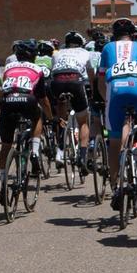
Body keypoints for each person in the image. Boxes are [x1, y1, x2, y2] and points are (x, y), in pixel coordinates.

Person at [96, 21, 137, 213]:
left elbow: (99, 81)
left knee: (114, 142)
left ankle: (115, 187)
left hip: (114, 90)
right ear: (132, 35)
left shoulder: (106, 48)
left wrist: (108, 99)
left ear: (114, 35)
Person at [0, 41, 54, 168]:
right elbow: (43, 100)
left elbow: (4, 89)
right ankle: (34, 151)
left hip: (7, 101)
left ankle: (3, 180)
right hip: (27, 99)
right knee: (37, 117)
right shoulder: (38, 69)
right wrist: (50, 118)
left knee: (6, 145)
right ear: (33, 56)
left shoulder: (8, 67)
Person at [45, 32, 96, 170]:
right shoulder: (85, 53)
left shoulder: (57, 53)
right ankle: (83, 157)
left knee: (61, 115)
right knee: (83, 122)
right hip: (75, 81)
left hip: (57, 82)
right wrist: (94, 91)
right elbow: (91, 77)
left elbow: (54, 72)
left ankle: (60, 152)